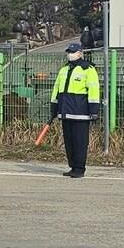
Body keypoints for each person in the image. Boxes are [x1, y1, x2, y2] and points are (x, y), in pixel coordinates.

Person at [49, 42, 101, 178]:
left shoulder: (88, 69)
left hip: (81, 113)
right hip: (65, 112)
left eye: (72, 52)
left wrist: (94, 111)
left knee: (80, 142)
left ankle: (79, 168)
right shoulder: (64, 69)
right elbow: (56, 89)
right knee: (69, 142)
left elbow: (94, 90)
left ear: (80, 53)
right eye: (68, 52)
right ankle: (72, 166)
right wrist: (54, 107)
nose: (70, 55)